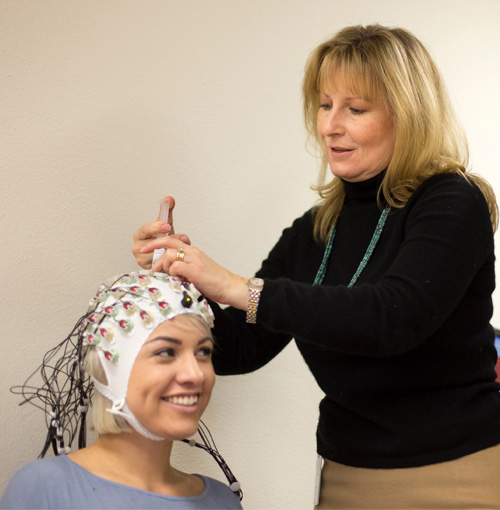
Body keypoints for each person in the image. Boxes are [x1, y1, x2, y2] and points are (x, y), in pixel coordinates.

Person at [132, 24, 500, 509]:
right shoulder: (314, 231)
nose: (330, 126)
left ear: (406, 116)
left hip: (459, 473)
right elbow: (241, 347)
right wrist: (175, 284)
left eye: (355, 108)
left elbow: (394, 318)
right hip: (347, 476)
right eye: (325, 105)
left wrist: (236, 286)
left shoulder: (453, 201)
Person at [0, 272, 242, 509]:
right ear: (107, 371)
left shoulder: (222, 501)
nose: (196, 374)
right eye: (167, 352)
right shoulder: (45, 489)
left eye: (203, 352)